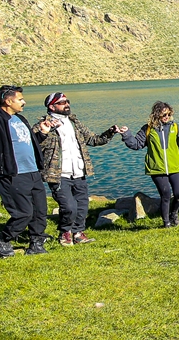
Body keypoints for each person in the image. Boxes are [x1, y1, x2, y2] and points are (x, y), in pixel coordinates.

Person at [0, 85, 54, 258]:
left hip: (32, 172)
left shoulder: (20, 119)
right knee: (23, 213)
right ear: (8, 101)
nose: (23, 102)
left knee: (40, 211)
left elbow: (26, 143)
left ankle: (36, 243)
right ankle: (3, 240)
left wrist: (42, 134)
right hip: (13, 173)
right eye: (20, 99)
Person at [38, 91, 121, 246]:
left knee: (82, 205)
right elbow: (35, 145)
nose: (67, 104)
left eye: (67, 101)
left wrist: (110, 133)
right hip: (58, 174)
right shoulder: (44, 125)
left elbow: (92, 139)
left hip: (79, 172)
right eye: (62, 102)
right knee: (69, 206)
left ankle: (78, 232)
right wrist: (44, 132)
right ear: (52, 106)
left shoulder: (74, 122)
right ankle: (65, 233)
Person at [121, 101, 179, 227]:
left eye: (169, 114)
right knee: (166, 194)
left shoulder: (175, 127)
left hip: (175, 166)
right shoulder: (147, 129)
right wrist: (126, 135)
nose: (167, 117)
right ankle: (166, 223)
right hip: (156, 168)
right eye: (164, 115)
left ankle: (173, 215)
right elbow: (136, 144)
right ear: (156, 115)